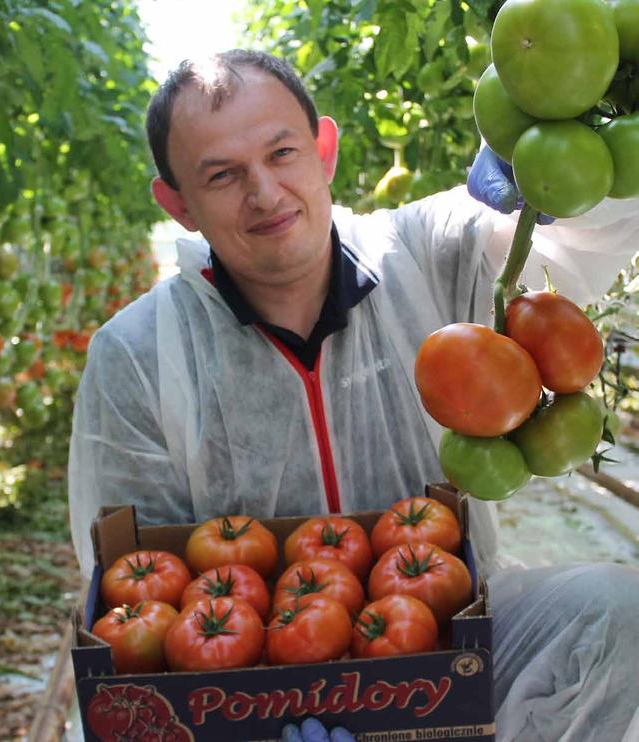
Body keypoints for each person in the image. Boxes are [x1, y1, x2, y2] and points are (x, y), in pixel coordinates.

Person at [68, 50, 639, 741]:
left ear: (324, 150)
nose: (266, 193)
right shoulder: (140, 352)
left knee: (614, 613)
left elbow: (593, 223)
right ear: (177, 204)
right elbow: (141, 581)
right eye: (221, 175)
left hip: (450, 644)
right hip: (249, 691)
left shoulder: (430, 253)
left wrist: (576, 127)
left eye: (282, 153)